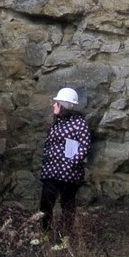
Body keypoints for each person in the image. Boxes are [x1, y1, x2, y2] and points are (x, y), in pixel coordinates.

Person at [31, 87, 89, 248]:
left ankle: (66, 239)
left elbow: (84, 147)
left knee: (67, 205)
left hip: (69, 174)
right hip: (52, 172)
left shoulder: (79, 124)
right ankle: (45, 233)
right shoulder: (56, 123)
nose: (53, 106)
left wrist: (71, 163)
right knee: (45, 203)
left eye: (56, 103)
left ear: (63, 105)